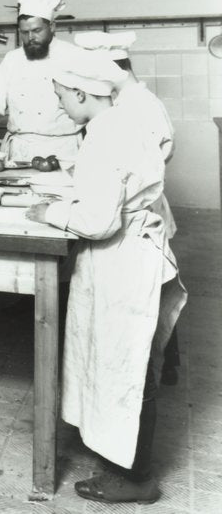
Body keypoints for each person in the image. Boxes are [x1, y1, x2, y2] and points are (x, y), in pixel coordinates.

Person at [26, 49, 186, 504]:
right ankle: (120, 457)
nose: (59, 104)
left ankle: (136, 478)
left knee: (127, 368)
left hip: (124, 261)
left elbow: (99, 221)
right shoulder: (115, 123)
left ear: (81, 92)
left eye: (60, 95)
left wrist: (49, 211)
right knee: (120, 363)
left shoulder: (105, 134)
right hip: (128, 256)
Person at [75, 29, 181, 385]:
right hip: (139, 214)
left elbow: (136, 169)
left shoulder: (139, 106)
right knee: (151, 305)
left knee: (146, 313)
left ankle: (161, 371)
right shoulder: (129, 100)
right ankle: (164, 368)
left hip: (138, 218)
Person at [0, 0, 82, 162]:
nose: (30, 38)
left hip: (64, 151)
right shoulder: (12, 60)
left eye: (37, 31)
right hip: (19, 152)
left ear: (52, 26)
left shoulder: (74, 57)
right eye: (24, 32)